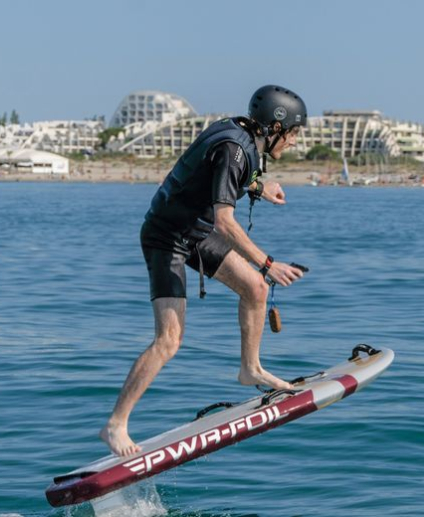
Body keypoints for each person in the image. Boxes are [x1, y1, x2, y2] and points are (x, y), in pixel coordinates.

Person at [99, 85, 308, 457]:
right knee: (169, 339)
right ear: (274, 128)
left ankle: (251, 369)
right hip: (167, 237)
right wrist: (268, 263)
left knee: (256, 290)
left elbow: (220, 179)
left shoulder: (240, 135)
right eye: (292, 134)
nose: (293, 142)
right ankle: (115, 425)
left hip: (196, 232)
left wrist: (260, 187)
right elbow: (226, 222)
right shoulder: (234, 149)